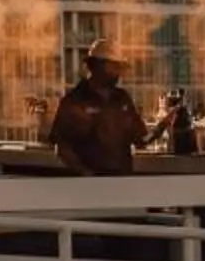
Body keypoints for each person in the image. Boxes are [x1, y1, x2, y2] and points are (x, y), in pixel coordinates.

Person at [51, 47, 144, 177]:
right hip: (90, 186)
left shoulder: (122, 97)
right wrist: (86, 173)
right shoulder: (74, 100)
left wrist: (163, 125)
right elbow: (62, 147)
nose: (118, 72)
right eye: (114, 67)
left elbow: (140, 139)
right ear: (97, 66)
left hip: (122, 183)